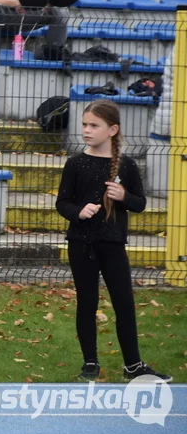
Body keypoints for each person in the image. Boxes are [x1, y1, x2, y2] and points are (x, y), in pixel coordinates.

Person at [56, 100, 171, 383]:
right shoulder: (75, 163)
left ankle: (133, 365)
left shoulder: (127, 166)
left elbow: (140, 203)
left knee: (123, 303)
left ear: (112, 129)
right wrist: (78, 212)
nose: (86, 130)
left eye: (94, 125)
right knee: (87, 302)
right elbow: (63, 203)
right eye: (84, 124)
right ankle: (90, 363)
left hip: (113, 244)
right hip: (81, 243)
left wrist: (123, 197)